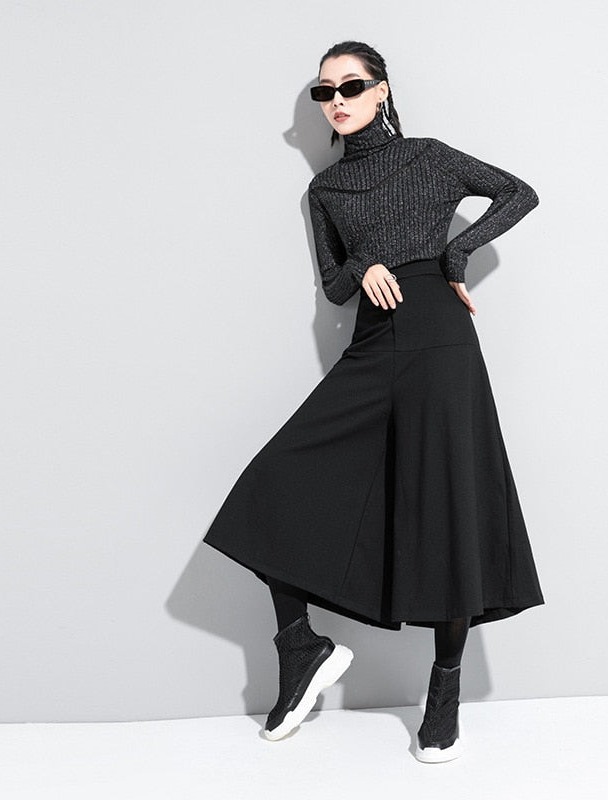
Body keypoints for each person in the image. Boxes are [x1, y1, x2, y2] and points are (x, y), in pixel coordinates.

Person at [203, 40, 544, 763]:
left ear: (382, 90)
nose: (337, 101)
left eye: (351, 86)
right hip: (373, 344)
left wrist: (456, 254)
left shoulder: (430, 157)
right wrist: (363, 264)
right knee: (275, 483)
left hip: (440, 340)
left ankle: (444, 693)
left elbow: (519, 193)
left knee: (447, 507)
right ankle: (302, 649)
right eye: (324, 92)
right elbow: (334, 285)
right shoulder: (325, 192)